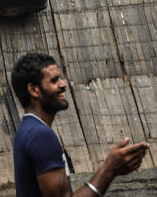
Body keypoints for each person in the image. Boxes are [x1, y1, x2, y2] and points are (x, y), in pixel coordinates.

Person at [11, 53, 149, 197]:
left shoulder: (25, 131)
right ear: (34, 90)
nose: (63, 84)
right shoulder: (41, 135)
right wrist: (109, 170)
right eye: (54, 80)